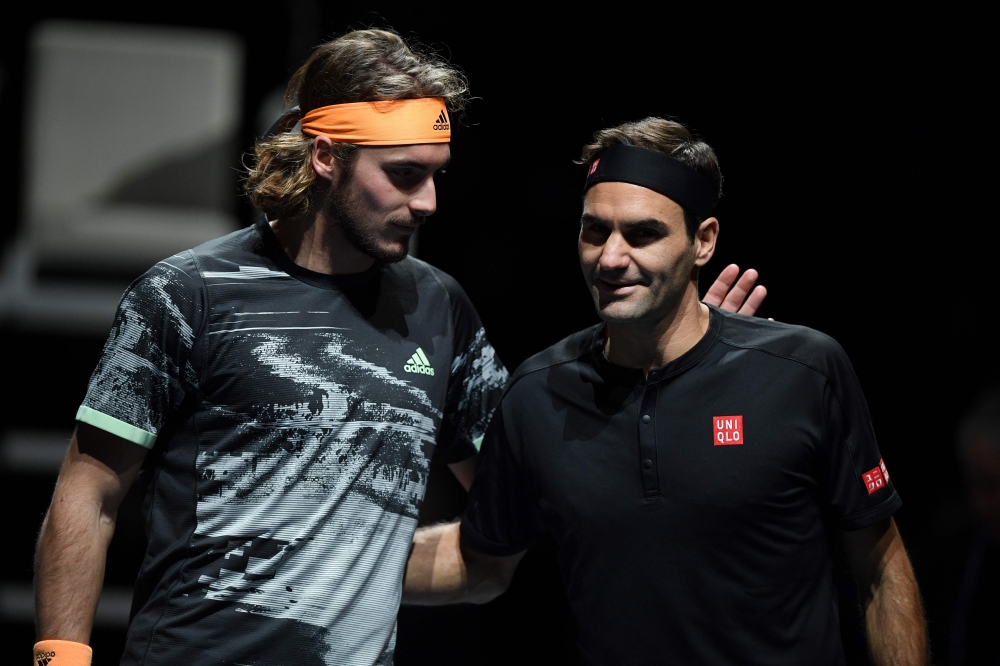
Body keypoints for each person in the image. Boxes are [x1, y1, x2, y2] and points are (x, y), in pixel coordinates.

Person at [31, 32, 764, 666]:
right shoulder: (187, 293)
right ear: (326, 156)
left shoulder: (438, 308)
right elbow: (88, 493)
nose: (428, 202)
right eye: (404, 175)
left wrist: (671, 367)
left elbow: (533, 490)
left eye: (435, 175)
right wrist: (62, 656)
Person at [403, 117, 928, 665]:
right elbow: (483, 561)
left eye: (642, 234)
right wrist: (322, 554)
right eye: (594, 230)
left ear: (703, 241)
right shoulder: (537, 394)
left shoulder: (804, 371)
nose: (609, 258)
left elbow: (880, 567)